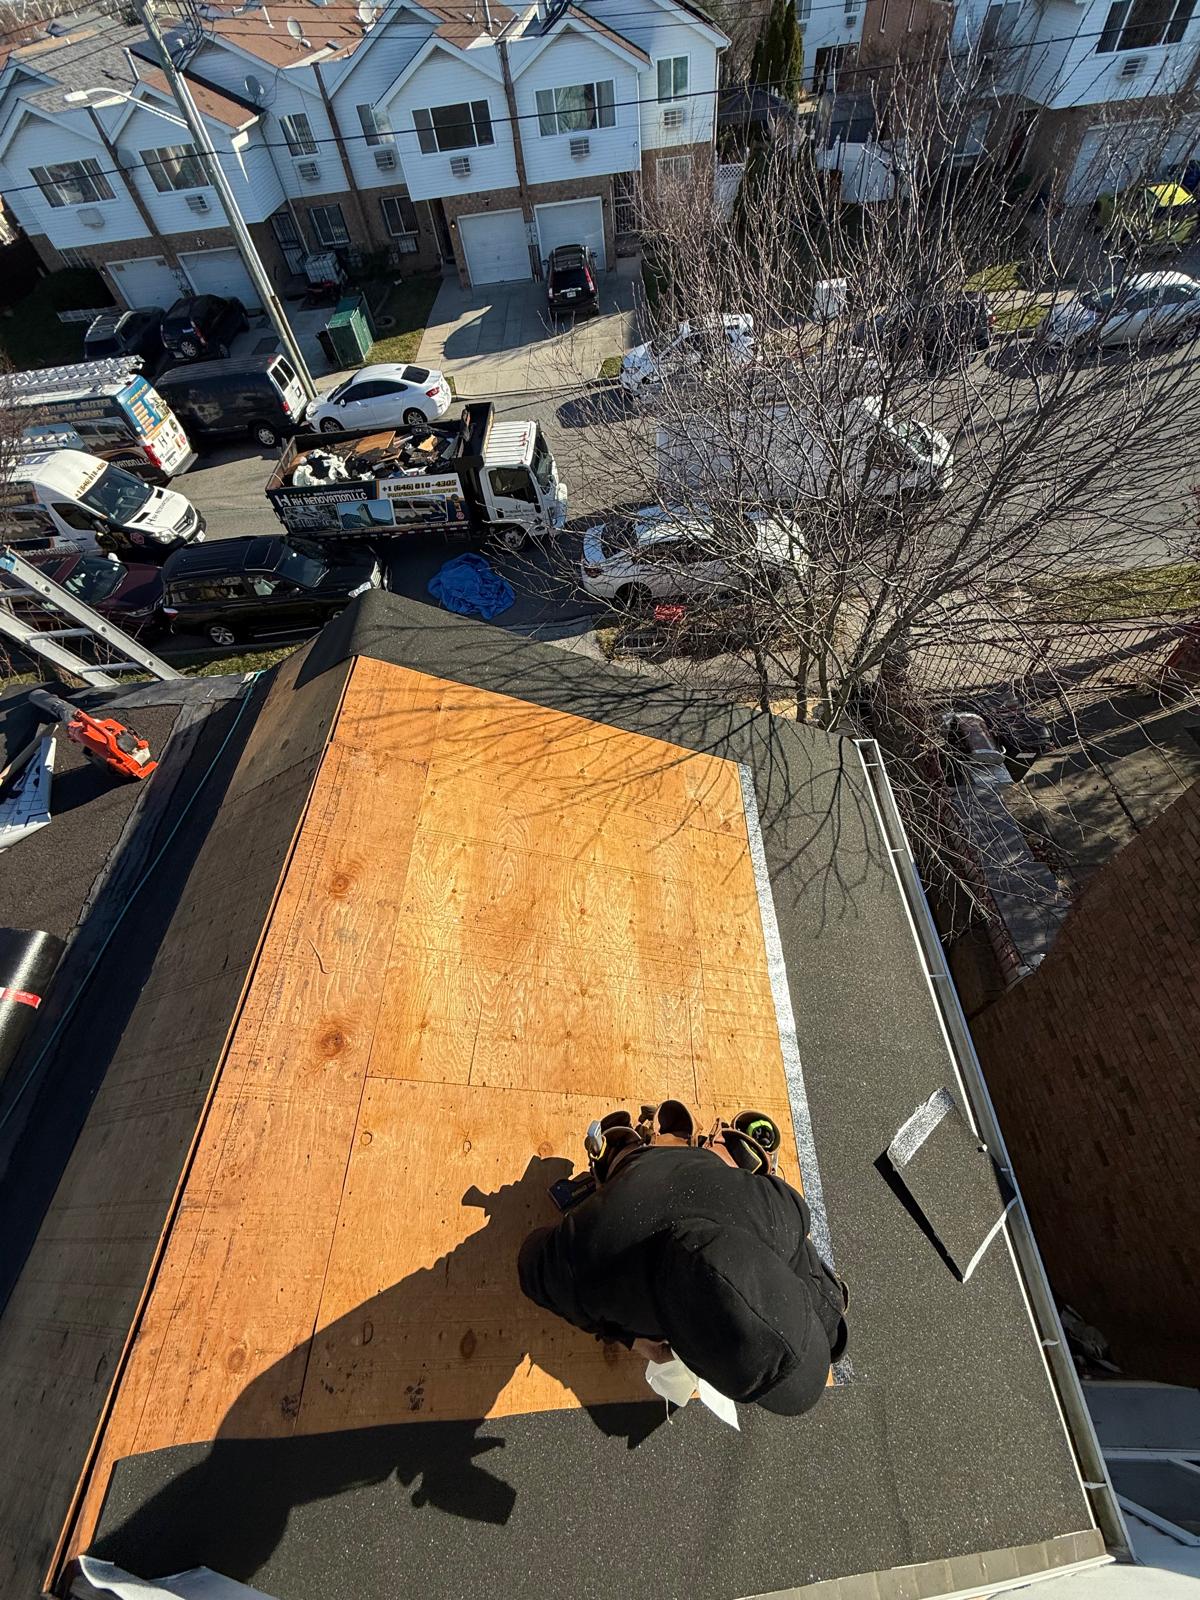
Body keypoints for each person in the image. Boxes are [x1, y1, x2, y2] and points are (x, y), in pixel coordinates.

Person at [517, 1106, 848, 1416]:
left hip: (667, 1188)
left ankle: (652, 1151)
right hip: (629, 1196)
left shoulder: (777, 1212)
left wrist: (632, 1338)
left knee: (788, 1243)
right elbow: (532, 1264)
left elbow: (532, 1263)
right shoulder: (590, 1262)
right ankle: (640, 1153)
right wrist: (630, 1338)